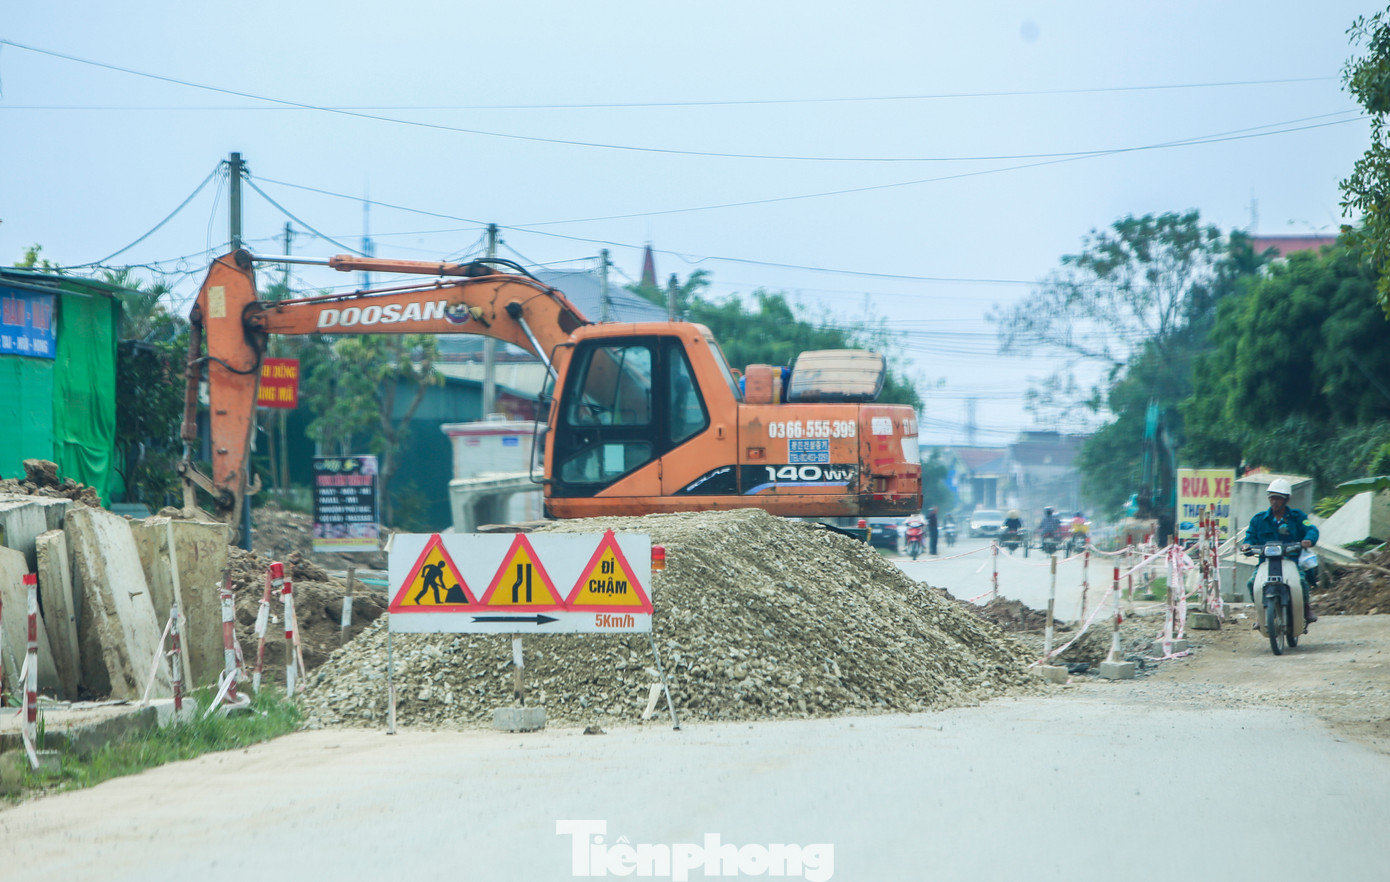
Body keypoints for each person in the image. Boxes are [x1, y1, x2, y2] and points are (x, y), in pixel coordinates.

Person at [1241, 478, 1319, 622]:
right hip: (1265, 563)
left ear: (1286, 500)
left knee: (1301, 581)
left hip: (1291, 561)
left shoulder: (1298, 517)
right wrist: (1247, 545)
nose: (1274, 501)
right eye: (1272, 498)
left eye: (1278, 498)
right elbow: (1250, 536)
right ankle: (1261, 614)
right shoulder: (1258, 520)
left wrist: (1309, 539)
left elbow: (1311, 529)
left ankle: (1306, 608)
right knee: (1252, 583)